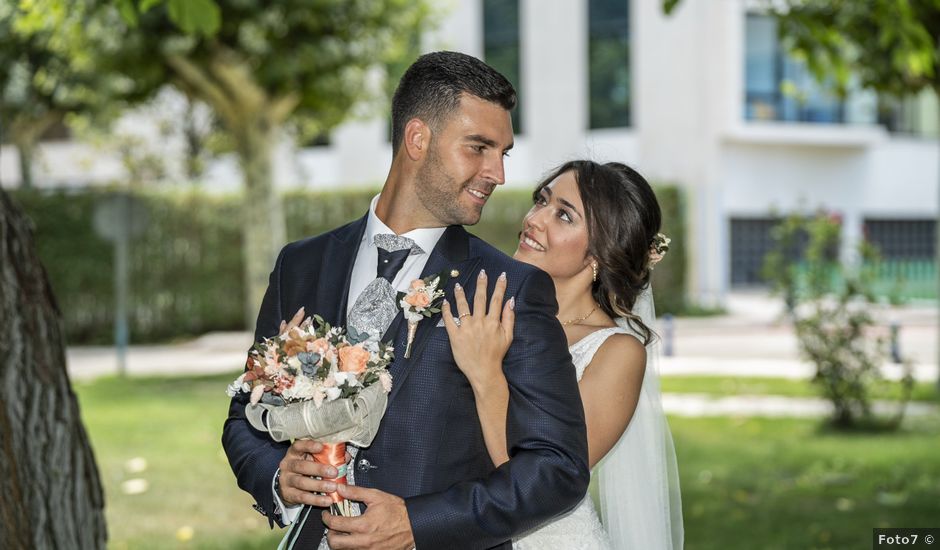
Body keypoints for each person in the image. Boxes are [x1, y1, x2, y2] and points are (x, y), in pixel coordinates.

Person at [222, 51, 590, 550]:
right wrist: (276, 477)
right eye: (479, 147)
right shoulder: (300, 265)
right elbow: (246, 411)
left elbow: (559, 467)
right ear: (418, 138)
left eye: (502, 152)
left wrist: (419, 524)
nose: (497, 173)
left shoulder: (511, 288)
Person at [441, 160, 684, 549]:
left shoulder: (616, 352)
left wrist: (486, 373)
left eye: (564, 216)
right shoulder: (485, 312)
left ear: (600, 254)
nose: (535, 219)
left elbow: (540, 484)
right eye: (541, 200)